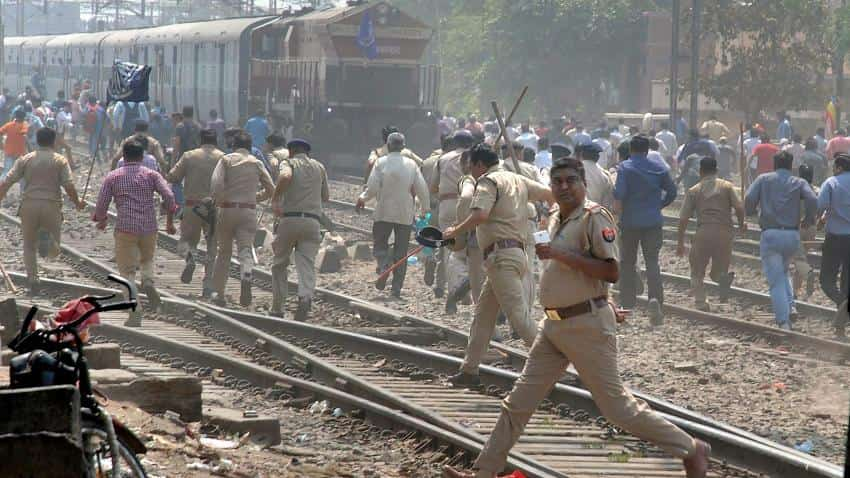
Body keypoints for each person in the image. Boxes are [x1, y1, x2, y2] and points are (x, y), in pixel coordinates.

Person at [442, 158, 710, 478]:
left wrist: (561, 256)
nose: (564, 187)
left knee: (618, 409)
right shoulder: (556, 217)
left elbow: (611, 271)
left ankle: (691, 448)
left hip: (586, 326)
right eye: (558, 182)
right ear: (551, 186)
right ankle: (482, 473)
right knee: (517, 404)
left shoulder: (595, 218)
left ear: (584, 184)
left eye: (571, 180)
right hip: (554, 326)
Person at [442, 143, 553, 387]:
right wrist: (549, 218)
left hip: (501, 256)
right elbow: (549, 194)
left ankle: (553, 364)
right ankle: (469, 371)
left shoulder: (488, 182)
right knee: (483, 318)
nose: (470, 172)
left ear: (480, 165)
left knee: (519, 317)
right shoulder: (517, 179)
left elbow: (480, 214)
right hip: (510, 255)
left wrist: (455, 230)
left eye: (471, 167)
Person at [92, 139, 176, 326]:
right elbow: (169, 196)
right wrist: (169, 214)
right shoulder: (151, 174)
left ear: (124, 155)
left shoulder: (113, 176)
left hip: (126, 228)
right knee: (147, 260)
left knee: (127, 272)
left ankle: (135, 311)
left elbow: (101, 205)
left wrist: (101, 219)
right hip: (149, 227)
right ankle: (148, 281)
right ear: (142, 156)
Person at [0, 127, 85, 293]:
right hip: (51, 206)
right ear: (54, 141)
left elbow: (6, 182)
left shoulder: (25, 159)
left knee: (29, 245)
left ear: (36, 141)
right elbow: (69, 185)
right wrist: (77, 203)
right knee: (54, 249)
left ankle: (33, 278)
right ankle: (45, 239)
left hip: (29, 205)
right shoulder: (60, 160)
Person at [745, 151, 817, 330]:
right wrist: (808, 219)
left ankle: (783, 322)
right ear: (791, 165)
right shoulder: (799, 182)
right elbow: (812, 199)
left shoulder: (763, 179)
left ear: (774, 164)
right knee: (784, 272)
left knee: (775, 280)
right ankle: (791, 305)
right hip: (792, 236)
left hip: (771, 235)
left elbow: (748, 199)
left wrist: (751, 212)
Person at [357, 132, 430, 298]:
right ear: (403, 146)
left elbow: (373, 187)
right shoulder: (412, 164)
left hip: (383, 212)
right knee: (401, 252)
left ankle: (384, 265)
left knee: (380, 244)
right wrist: (425, 209)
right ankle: (396, 289)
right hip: (405, 214)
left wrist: (362, 198)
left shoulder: (380, 162)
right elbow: (422, 189)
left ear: (388, 146)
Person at [613, 134, 677, 323]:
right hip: (653, 222)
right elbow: (672, 192)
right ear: (647, 150)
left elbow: (620, 193)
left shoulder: (625, 167)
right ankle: (655, 299)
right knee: (652, 262)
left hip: (631, 222)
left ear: (631, 150)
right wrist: (659, 205)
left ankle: (626, 304)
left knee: (627, 263)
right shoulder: (659, 168)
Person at [209, 130, 275, 307]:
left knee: (223, 253)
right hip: (248, 211)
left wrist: (221, 200)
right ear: (249, 148)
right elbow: (271, 188)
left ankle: (219, 294)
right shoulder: (257, 163)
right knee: (246, 249)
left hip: (228, 210)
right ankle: (246, 272)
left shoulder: (226, 160)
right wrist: (255, 198)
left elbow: (215, 184)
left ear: (234, 146)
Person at [270, 138, 329, 320]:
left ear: (291, 151)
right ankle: (305, 297)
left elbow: (285, 176)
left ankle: (278, 308)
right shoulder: (319, 167)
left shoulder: (288, 163)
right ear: (307, 152)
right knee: (306, 263)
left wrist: (276, 197)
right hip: (312, 222)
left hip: (290, 220)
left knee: (280, 264)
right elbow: (325, 196)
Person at [676, 157, 745, 310]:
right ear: (717, 170)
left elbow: (683, 219)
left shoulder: (694, 190)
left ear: (700, 171)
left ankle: (701, 302)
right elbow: (739, 208)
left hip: (704, 233)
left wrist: (680, 241)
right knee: (718, 272)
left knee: (697, 270)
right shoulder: (727, 187)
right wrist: (741, 225)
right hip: (724, 233)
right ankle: (722, 278)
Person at [166, 128, 224, 297]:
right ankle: (208, 284)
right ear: (215, 141)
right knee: (212, 245)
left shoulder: (189, 155)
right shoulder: (223, 158)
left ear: (201, 140)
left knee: (187, 240)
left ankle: (191, 258)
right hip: (213, 208)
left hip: (192, 206)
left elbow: (172, 176)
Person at [431, 130, 475, 300]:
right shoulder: (474, 158)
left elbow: (433, 187)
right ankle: (465, 288)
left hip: (447, 205)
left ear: (454, 143)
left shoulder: (442, 159)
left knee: (447, 247)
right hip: (469, 204)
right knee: (468, 247)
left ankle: (449, 287)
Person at [818, 153, 850, 335]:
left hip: (836, 238)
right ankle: (841, 323)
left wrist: (821, 217)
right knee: (847, 282)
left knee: (827, 280)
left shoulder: (831, 182)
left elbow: (821, 204)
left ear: (838, 167)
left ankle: (841, 303)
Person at [792, 164, 818, 300]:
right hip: (811, 228)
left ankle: (808, 273)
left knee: (797, 259)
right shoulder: (815, 189)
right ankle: (795, 292)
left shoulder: (796, 188)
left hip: (798, 226)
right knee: (801, 258)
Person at [577, 143, 614, 211]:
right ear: (597, 157)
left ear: (581, 155)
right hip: (596, 213)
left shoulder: (574, 170)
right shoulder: (605, 175)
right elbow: (607, 202)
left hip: (576, 213)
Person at [0, 109, 30, 182]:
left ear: (15, 116)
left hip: (9, 151)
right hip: (20, 153)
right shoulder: (24, 125)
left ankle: (1, 189)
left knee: (6, 171)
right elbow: (24, 135)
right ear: (24, 117)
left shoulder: (9, 125)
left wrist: (1, 143)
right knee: (22, 173)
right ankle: (23, 192)